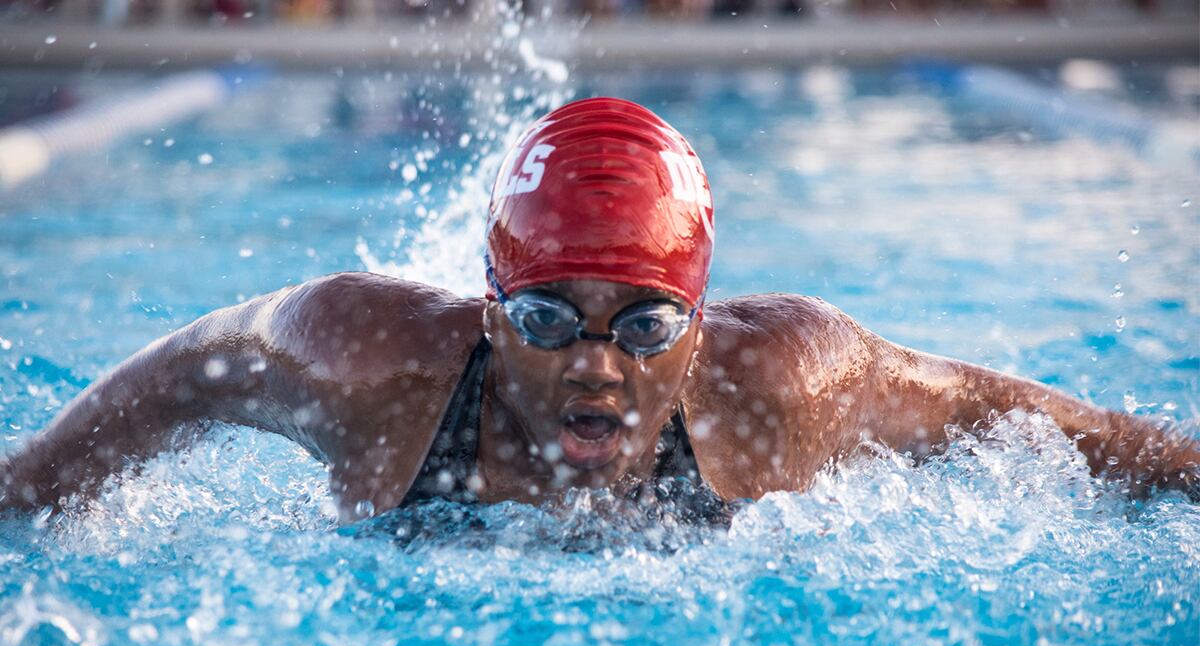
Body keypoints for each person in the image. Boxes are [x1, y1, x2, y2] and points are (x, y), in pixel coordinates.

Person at [2, 97, 1195, 522]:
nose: (594, 368)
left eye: (641, 326)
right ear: (487, 306)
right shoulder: (364, 357)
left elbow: (1022, 417)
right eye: (544, 321)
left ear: (699, 319)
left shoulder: (779, 384)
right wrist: (36, 481)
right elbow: (178, 371)